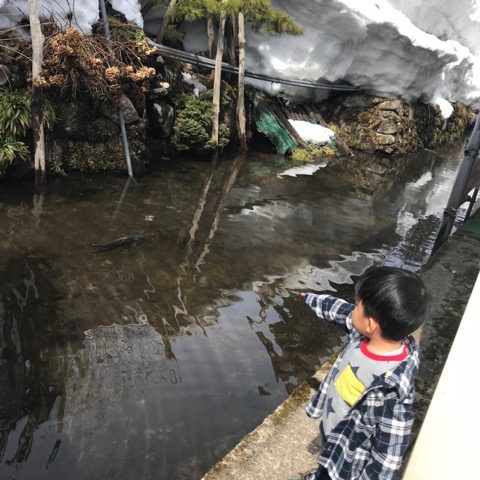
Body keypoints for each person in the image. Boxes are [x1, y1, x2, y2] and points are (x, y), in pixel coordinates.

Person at [299, 266, 428, 480]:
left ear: (370, 323)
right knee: (326, 460)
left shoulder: (392, 390)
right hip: (333, 429)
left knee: (334, 472)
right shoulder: (366, 334)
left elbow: (387, 456)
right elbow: (339, 311)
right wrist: (310, 299)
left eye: (357, 305)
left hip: (350, 456)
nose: (352, 309)